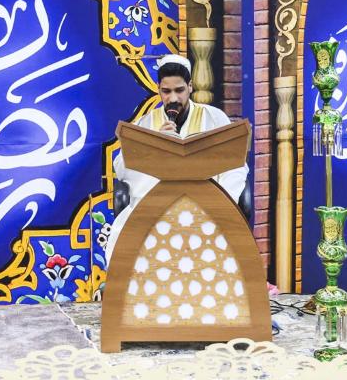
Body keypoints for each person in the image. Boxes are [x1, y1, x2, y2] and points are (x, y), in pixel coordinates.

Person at [104, 55, 249, 265]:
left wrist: (222, 205)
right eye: (166, 91)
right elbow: (122, 167)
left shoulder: (214, 118)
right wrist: (155, 144)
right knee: (126, 244)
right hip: (157, 209)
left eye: (179, 90)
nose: (173, 98)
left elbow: (235, 164)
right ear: (158, 89)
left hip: (204, 207)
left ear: (190, 87)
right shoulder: (147, 123)